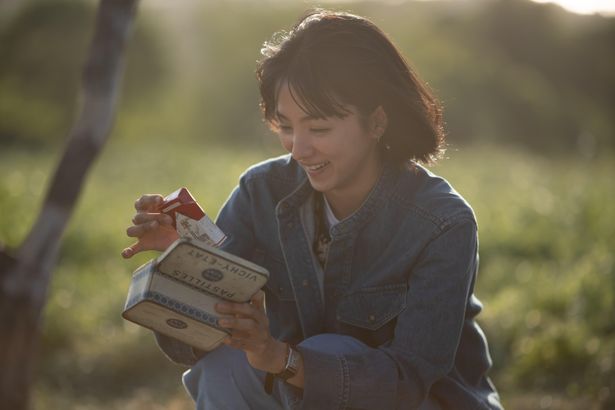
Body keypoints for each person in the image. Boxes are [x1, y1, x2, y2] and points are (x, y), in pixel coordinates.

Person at [122, 9, 503, 410]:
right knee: (223, 364)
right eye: (286, 126)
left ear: (376, 122)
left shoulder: (443, 224)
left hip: (421, 402)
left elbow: (406, 381)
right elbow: (198, 340)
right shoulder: (262, 192)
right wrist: (181, 260)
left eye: (319, 129)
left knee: (330, 348)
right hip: (298, 391)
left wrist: (282, 359)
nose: (299, 149)